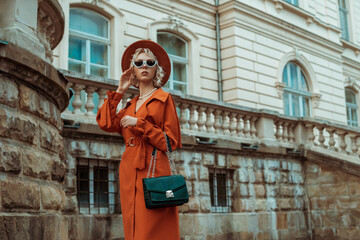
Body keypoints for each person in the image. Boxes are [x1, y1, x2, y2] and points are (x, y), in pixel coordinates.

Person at [96, 40, 182, 240]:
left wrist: (140, 124)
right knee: (132, 227)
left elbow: (171, 142)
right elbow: (105, 123)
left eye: (150, 63)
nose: (144, 66)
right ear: (132, 70)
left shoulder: (164, 99)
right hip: (129, 170)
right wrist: (119, 90)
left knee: (152, 229)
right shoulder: (129, 104)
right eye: (139, 63)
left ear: (156, 69)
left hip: (154, 169)